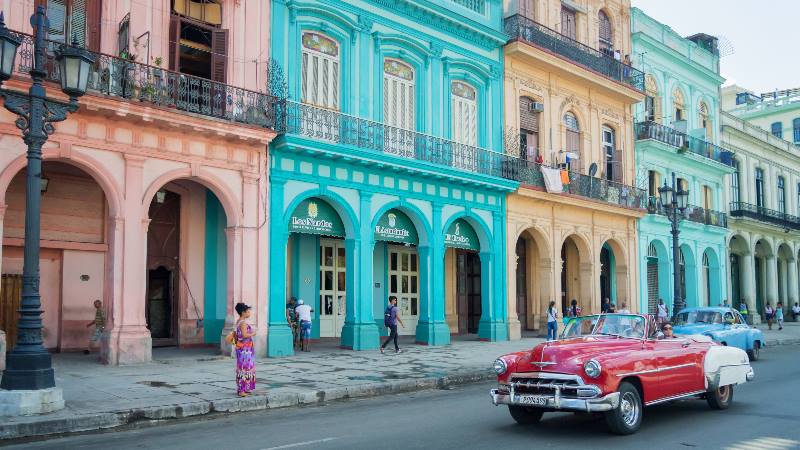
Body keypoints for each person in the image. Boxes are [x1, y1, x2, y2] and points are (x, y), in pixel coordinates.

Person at [231, 302, 256, 397]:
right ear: (243, 312)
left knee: (245, 367)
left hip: (244, 348)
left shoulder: (239, 321)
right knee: (244, 368)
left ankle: (245, 387)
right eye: (248, 311)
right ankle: (241, 389)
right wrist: (253, 333)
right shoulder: (243, 323)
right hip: (245, 349)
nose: (249, 313)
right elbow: (245, 335)